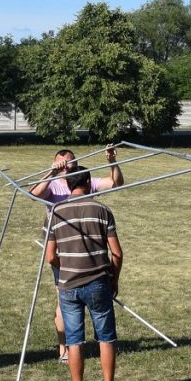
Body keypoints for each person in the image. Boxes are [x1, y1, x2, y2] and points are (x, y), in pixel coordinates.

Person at [29, 146, 124, 360]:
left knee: (88, 300)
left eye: (70, 162)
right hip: (63, 252)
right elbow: (33, 194)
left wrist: (112, 162)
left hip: (90, 251)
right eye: (61, 162)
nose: (66, 166)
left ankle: (91, 344)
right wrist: (52, 172)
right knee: (63, 301)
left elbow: (116, 182)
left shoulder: (84, 181)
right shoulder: (53, 185)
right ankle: (64, 348)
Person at [45, 167, 124, 381]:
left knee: (74, 341)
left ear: (67, 184)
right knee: (106, 338)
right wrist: (114, 279)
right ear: (88, 182)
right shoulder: (102, 210)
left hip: (68, 286)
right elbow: (117, 253)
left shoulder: (55, 212)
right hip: (99, 283)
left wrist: (66, 268)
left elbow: (50, 256)